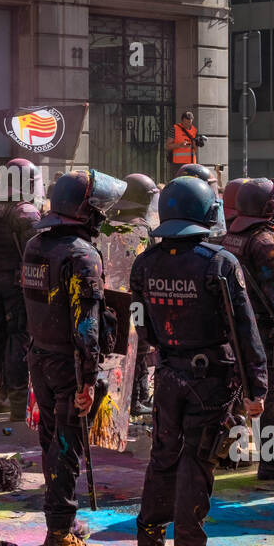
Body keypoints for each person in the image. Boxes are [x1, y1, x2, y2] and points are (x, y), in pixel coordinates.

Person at [132, 177, 268, 546]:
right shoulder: (219, 262)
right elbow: (244, 330)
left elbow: (141, 324)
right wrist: (256, 387)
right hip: (210, 380)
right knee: (197, 467)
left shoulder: (146, 262)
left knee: (162, 460)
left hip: (169, 374)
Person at [21, 168, 127, 546]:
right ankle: (61, 535)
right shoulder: (82, 255)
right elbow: (87, 324)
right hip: (68, 363)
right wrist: (87, 381)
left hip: (41, 354)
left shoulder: (37, 245)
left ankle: (63, 521)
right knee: (66, 445)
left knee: (53, 439)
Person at [221, 178, 274, 478]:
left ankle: (230, 451)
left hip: (234, 329)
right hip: (264, 331)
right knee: (265, 397)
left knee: (237, 392)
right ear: (267, 207)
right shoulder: (265, 242)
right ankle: (270, 460)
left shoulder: (230, 236)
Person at [0, 158, 42, 419]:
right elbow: (34, 253)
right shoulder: (25, 212)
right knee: (18, 341)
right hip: (17, 284)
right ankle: (17, 405)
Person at [107, 173, 159, 416]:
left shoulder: (107, 223)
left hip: (111, 294)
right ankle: (136, 399)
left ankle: (128, 396)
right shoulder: (142, 228)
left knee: (115, 349)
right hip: (136, 297)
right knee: (138, 349)